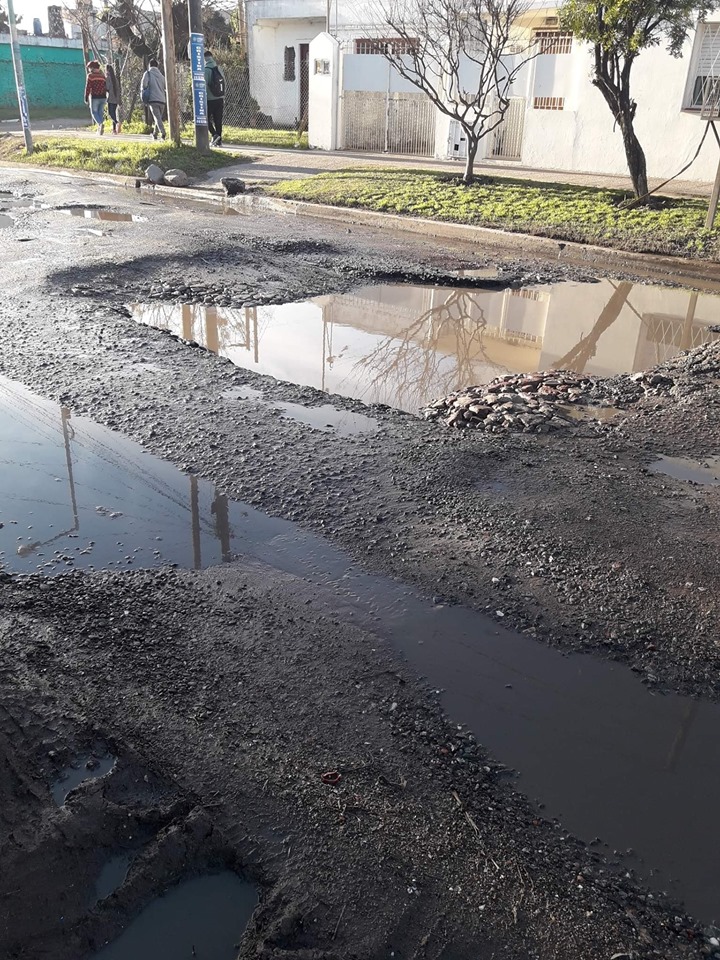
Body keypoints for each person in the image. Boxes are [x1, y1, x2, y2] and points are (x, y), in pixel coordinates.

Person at [141, 58, 167, 141]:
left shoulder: (147, 74)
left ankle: (163, 133)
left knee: (157, 118)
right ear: (157, 66)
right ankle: (155, 134)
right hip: (162, 100)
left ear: (149, 65)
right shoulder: (162, 76)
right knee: (158, 117)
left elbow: (144, 85)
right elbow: (166, 87)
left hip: (153, 99)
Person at [204, 50, 226, 147]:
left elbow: (204, 85)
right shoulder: (219, 68)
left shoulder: (206, 70)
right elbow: (224, 82)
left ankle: (214, 134)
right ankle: (219, 140)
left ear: (204, 59)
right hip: (220, 98)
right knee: (218, 120)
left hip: (210, 99)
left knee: (205, 118)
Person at [84, 60, 107, 136]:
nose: (89, 69)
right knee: (100, 112)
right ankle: (99, 129)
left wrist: (86, 97)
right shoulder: (103, 76)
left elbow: (88, 87)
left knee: (94, 112)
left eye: (90, 68)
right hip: (103, 97)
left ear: (92, 68)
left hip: (95, 97)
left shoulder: (90, 76)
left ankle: (100, 124)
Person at [105, 63, 122, 135]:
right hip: (116, 98)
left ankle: (117, 123)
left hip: (111, 98)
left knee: (110, 114)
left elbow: (107, 88)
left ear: (107, 70)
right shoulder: (115, 78)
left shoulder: (108, 78)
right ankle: (114, 130)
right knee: (114, 113)